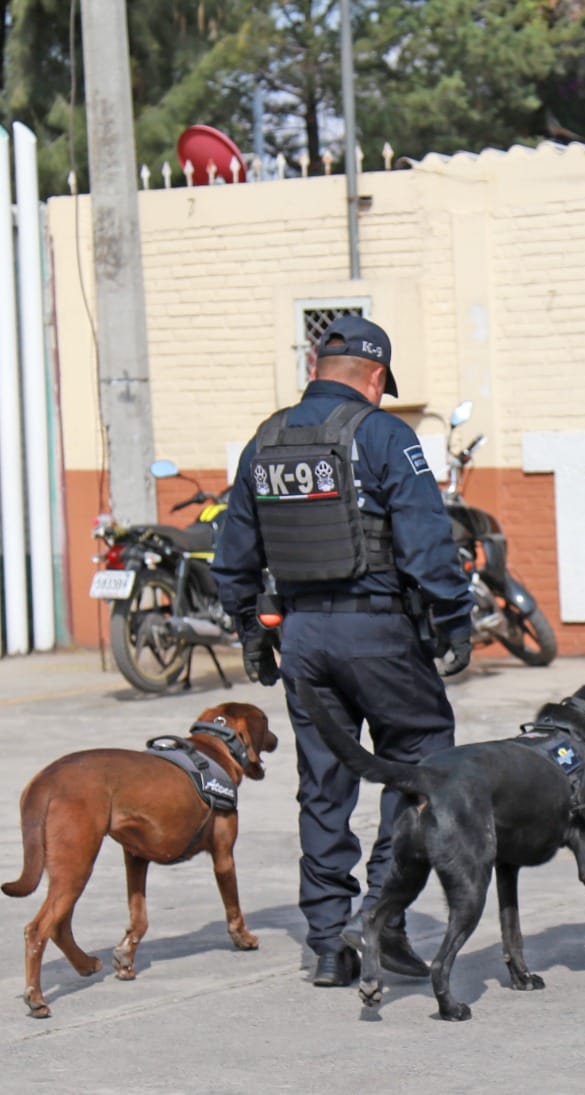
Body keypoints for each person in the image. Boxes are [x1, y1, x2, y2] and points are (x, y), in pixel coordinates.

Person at [214, 316, 473, 989]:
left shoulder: (264, 440)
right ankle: (381, 918)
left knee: (324, 786)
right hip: (378, 631)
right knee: (420, 763)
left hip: (301, 636)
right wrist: (453, 618)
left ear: (316, 365)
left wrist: (251, 629)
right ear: (377, 377)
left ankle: (329, 941)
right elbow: (425, 542)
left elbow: (233, 556)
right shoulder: (386, 435)